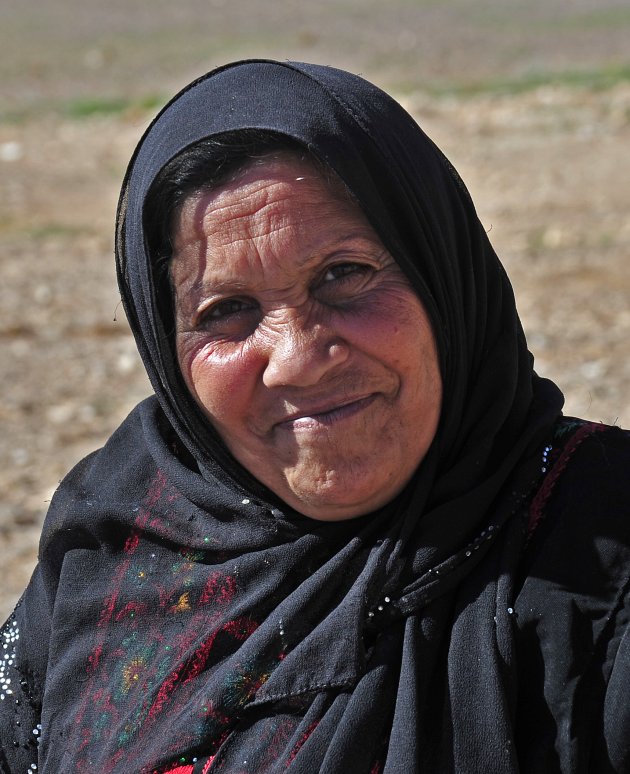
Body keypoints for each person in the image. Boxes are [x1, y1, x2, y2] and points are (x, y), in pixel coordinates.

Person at [0, 59, 628, 774]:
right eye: (226, 311)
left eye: (345, 274)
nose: (298, 358)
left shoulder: (601, 554)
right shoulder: (119, 537)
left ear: (442, 272)